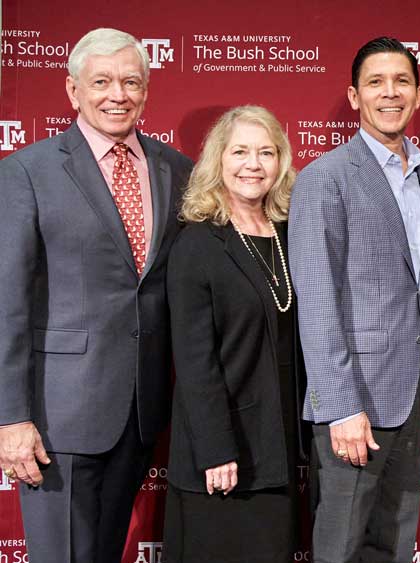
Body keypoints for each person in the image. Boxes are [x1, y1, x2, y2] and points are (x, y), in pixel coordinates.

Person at [0, 27, 193, 563]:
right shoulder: (26, 172)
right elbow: (7, 303)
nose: (118, 94)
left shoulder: (175, 169)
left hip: (140, 408)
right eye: (102, 81)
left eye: (131, 81)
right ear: (72, 91)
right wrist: (10, 418)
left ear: (147, 90)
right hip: (55, 416)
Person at [289, 37, 420, 563]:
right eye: (375, 82)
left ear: (419, 94)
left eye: (401, 81)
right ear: (353, 96)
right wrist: (339, 406)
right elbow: (315, 299)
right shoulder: (325, 178)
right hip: (353, 400)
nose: (390, 93)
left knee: (395, 543)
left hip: (413, 395)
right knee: (340, 547)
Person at [162, 105, 302, 562]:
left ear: (280, 161)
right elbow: (194, 361)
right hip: (222, 454)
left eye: (266, 152)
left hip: (277, 446)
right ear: (218, 161)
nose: (253, 164)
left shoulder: (289, 234)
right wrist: (217, 449)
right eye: (240, 151)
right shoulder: (197, 243)